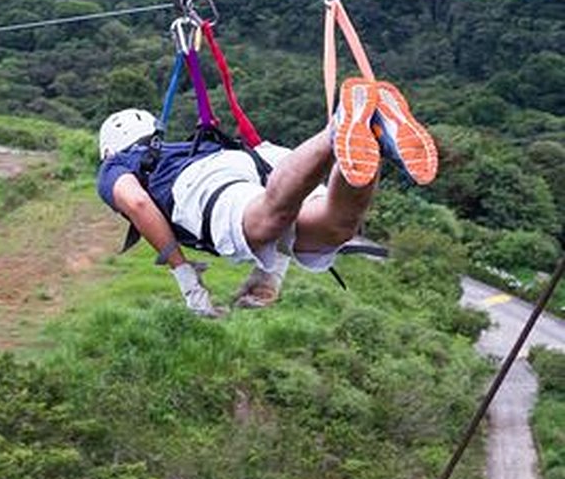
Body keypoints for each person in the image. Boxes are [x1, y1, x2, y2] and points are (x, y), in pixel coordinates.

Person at [96, 77, 438, 317]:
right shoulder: (178, 147)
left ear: (108, 149)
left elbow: (137, 202)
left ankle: (339, 128)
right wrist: (268, 275)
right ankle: (372, 132)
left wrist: (187, 281)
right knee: (336, 226)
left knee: (265, 220)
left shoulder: (116, 165)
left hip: (202, 182)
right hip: (256, 160)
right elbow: (282, 229)